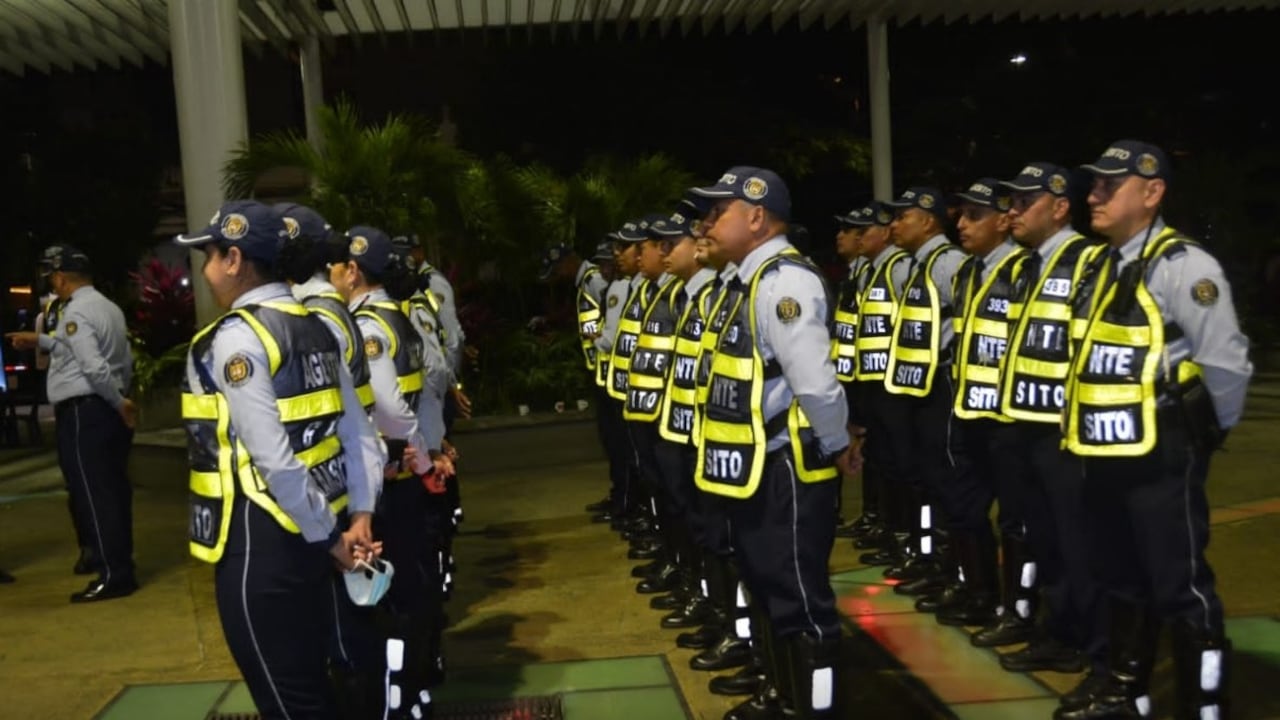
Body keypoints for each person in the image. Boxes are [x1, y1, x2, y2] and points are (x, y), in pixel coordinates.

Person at [1057, 140, 1252, 720]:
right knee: (1119, 575)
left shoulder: (1186, 267)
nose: (1092, 196)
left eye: (1106, 187)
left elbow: (1226, 362)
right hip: (1106, 450)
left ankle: (1204, 705)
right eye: (1092, 185)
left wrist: (1202, 437)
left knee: (1180, 585)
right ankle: (1125, 690)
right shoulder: (1102, 262)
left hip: (1163, 452)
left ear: (1152, 192)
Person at [173, 201, 376, 719]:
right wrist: (358, 518)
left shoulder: (236, 338)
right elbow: (360, 436)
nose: (206, 269)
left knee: (289, 704)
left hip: (259, 546)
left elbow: (276, 461)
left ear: (236, 258)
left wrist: (334, 539)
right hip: (313, 539)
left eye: (210, 255)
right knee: (312, 691)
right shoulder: (319, 328)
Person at [691, 167, 858, 720]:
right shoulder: (747, 280)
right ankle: (782, 692)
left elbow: (814, 382)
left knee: (798, 599)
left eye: (720, 211)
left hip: (785, 467)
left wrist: (837, 444)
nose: (708, 222)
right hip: (751, 467)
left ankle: (814, 708)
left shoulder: (785, 282)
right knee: (766, 584)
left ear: (757, 217)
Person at [985, 163, 1105, 683]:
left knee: (1080, 545)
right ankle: (1057, 633)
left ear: (1059, 206)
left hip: (1066, 435)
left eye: (1023, 202)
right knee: (1046, 540)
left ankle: (1092, 647)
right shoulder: (1025, 267)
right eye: (1009, 202)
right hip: (1027, 427)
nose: (1011, 211)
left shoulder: (1088, 260)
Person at [333, 225, 451, 720]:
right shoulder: (398, 316)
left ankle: (401, 699)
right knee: (412, 586)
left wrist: (416, 456)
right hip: (407, 473)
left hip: (392, 479)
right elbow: (431, 384)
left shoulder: (367, 328)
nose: (330, 274)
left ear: (354, 270)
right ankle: (419, 683)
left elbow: (391, 409)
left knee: (392, 598)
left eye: (335, 266)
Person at [6, 244, 137, 602]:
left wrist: (116, 400)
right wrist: (41, 339)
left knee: (94, 496)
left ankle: (113, 574)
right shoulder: (107, 307)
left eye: (53, 277)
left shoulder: (76, 311)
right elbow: (103, 355)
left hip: (86, 412)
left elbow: (93, 366)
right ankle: (121, 565)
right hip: (102, 411)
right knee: (112, 490)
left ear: (61, 278)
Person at [930, 178, 1026, 626]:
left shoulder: (1025, 271)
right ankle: (980, 594)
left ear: (1004, 220)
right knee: (965, 507)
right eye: (961, 215)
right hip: (970, 410)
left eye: (974, 215)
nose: (962, 224)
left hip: (1010, 418)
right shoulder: (969, 271)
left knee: (1016, 520)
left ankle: (1016, 610)